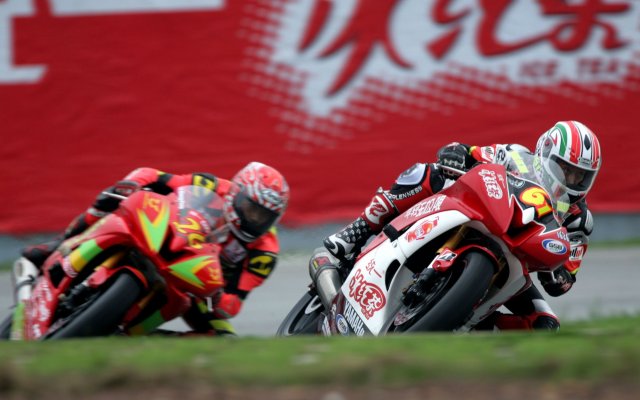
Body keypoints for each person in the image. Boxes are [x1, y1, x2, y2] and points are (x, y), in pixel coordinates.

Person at [321, 120, 602, 331]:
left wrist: (559, 275)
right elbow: (470, 152)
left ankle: (468, 330)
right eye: (566, 169)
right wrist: (457, 154)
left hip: (517, 264)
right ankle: (354, 232)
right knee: (428, 174)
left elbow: (566, 276)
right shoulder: (516, 156)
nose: (572, 179)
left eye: (581, 176)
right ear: (545, 153)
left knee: (546, 324)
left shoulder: (578, 219)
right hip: (481, 218)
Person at [21, 162, 290, 336]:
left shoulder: (263, 253)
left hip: (198, 290)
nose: (254, 219)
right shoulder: (213, 186)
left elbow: (234, 304)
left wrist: (218, 299)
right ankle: (60, 243)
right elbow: (156, 177)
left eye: (263, 216)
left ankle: (145, 341)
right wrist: (131, 185)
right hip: (169, 243)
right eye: (250, 208)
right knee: (110, 201)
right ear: (236, 194)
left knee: (224, 339)